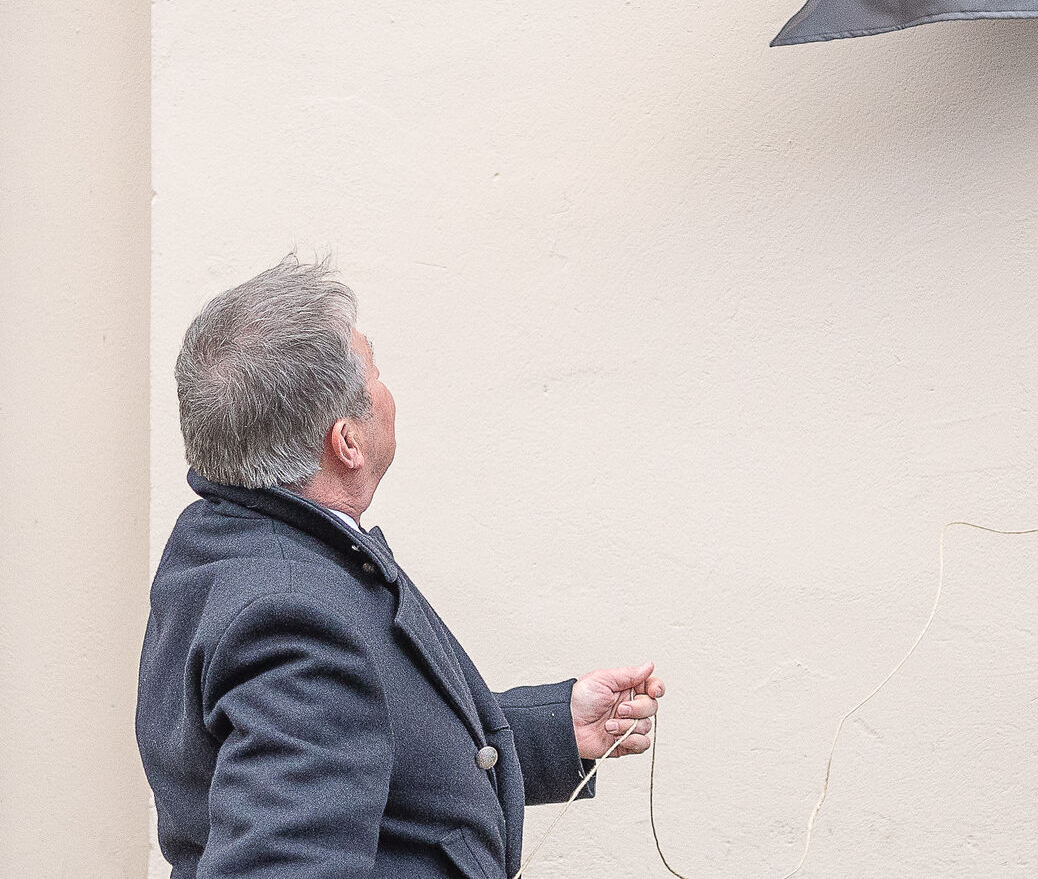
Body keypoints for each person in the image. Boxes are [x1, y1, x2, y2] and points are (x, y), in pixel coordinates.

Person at [136, 255, 663, 878]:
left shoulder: (232, 537)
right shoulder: (291, 611)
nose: (387, 391)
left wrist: (556, 728)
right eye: (375, 371)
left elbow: (363, 736)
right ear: (346, 442)